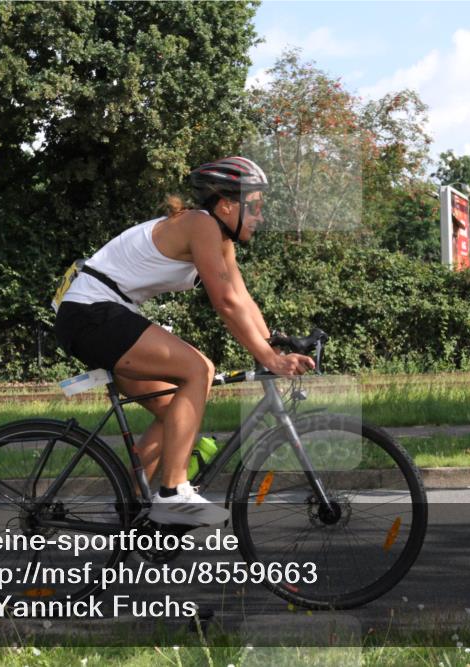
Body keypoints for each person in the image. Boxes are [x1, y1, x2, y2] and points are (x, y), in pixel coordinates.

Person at [54, 157, 315, 526]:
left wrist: (272, 350)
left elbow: (241, 299)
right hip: (92, 313)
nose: (260, 216)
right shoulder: (200, 223)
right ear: (227, 204)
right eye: (255, 206)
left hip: (97, 315)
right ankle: (173, 493)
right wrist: (270, 360)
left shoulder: (219, 238)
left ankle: (130, 510)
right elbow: (224, 302)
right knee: (198, 369)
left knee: (175, 411)